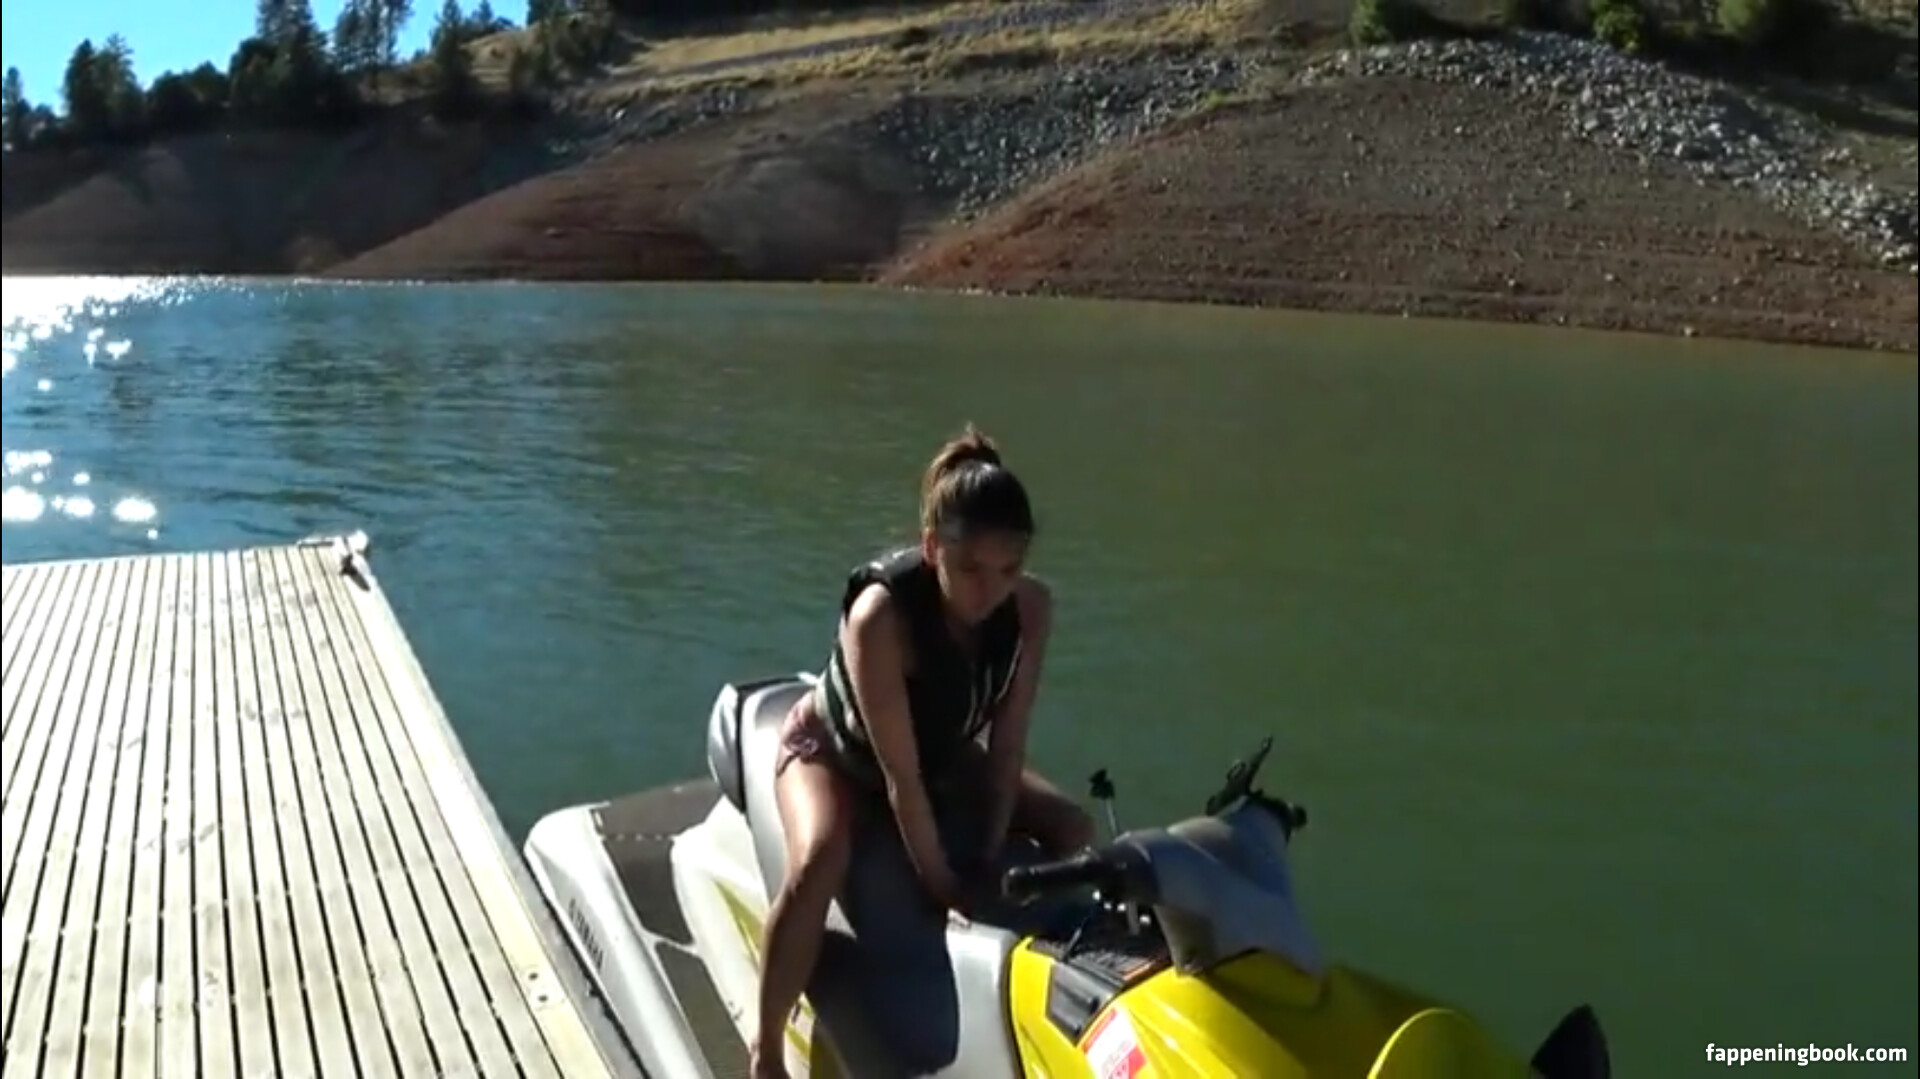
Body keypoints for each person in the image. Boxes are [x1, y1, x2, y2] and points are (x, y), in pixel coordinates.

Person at [748, 424, 1097, 1079]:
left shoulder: (1030, 609)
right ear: (932, 547)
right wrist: (948, 887)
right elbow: (899, 777)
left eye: (1008, 570)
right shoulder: (880, 617)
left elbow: (1008, 746)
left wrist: (988, 857)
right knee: (820, 857)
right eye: (970, 570)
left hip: (940, 749)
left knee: (1074, 828)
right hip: (837, 753)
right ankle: (765, 1049)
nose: (989, 591)